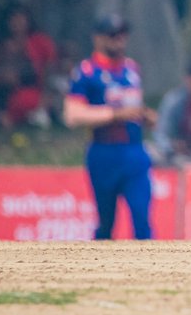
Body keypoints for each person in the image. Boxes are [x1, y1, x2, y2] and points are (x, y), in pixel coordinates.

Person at [62, 13, 157, 240]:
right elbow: (73, 115)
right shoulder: (86, 72)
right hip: (103, 151)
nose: (118, 40)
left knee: (142, 218)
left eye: (122, 35)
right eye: (112, 35)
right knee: (106, 222)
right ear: (98, 38)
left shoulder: (131, 70)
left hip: (134, 151)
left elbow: (135, 106)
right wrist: (114, 115)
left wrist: (146, 116)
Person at [0, 3, 57, 128]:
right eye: (13, 18)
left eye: (21, 18)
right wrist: (0, 77)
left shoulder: (40, 42)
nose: (17, 22)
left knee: (28, 100)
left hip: (33, 93)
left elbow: (50, 65)